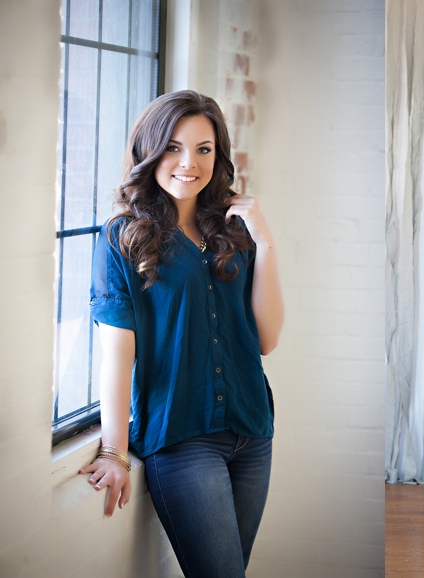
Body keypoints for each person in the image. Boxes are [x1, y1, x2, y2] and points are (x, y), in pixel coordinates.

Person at [79, 90, 284, 577]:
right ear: (148, 152)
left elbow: (266, 340)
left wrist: (267, 243)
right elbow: (117, 356)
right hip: (181, 442)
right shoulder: (122, 239)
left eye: (203, 149)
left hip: (252, 432)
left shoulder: (234, 231)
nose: (188, 163)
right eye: (172, 147)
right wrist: (113, 450)